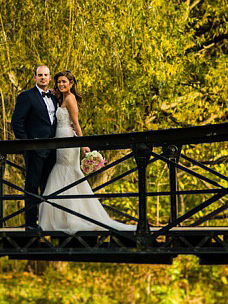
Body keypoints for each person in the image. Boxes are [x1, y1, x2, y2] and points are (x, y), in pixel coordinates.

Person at [38, 71, 136, 234]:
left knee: (68, 172)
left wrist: (83, 145)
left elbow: (76, 124)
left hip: (69, 139)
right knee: (61, 172)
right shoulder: (61, 98)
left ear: (71, 83)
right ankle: (62, 216)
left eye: (64, 82)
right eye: (59, 82)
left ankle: (74, 217)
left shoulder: (70, 99)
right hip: (60, 139)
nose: (61, 85)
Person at [10, 65, 57, 232]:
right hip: (35, 150)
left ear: (50, 78)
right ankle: (30, 224)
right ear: (35, 78)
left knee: (49, 186)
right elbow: (17, 122)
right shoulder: (27, 96)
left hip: (53, 149)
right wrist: (27, 144)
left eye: (46, 75)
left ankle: (47, 222)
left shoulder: (54, 97)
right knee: (32, 185)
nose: (43, 78)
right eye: (40, 75)